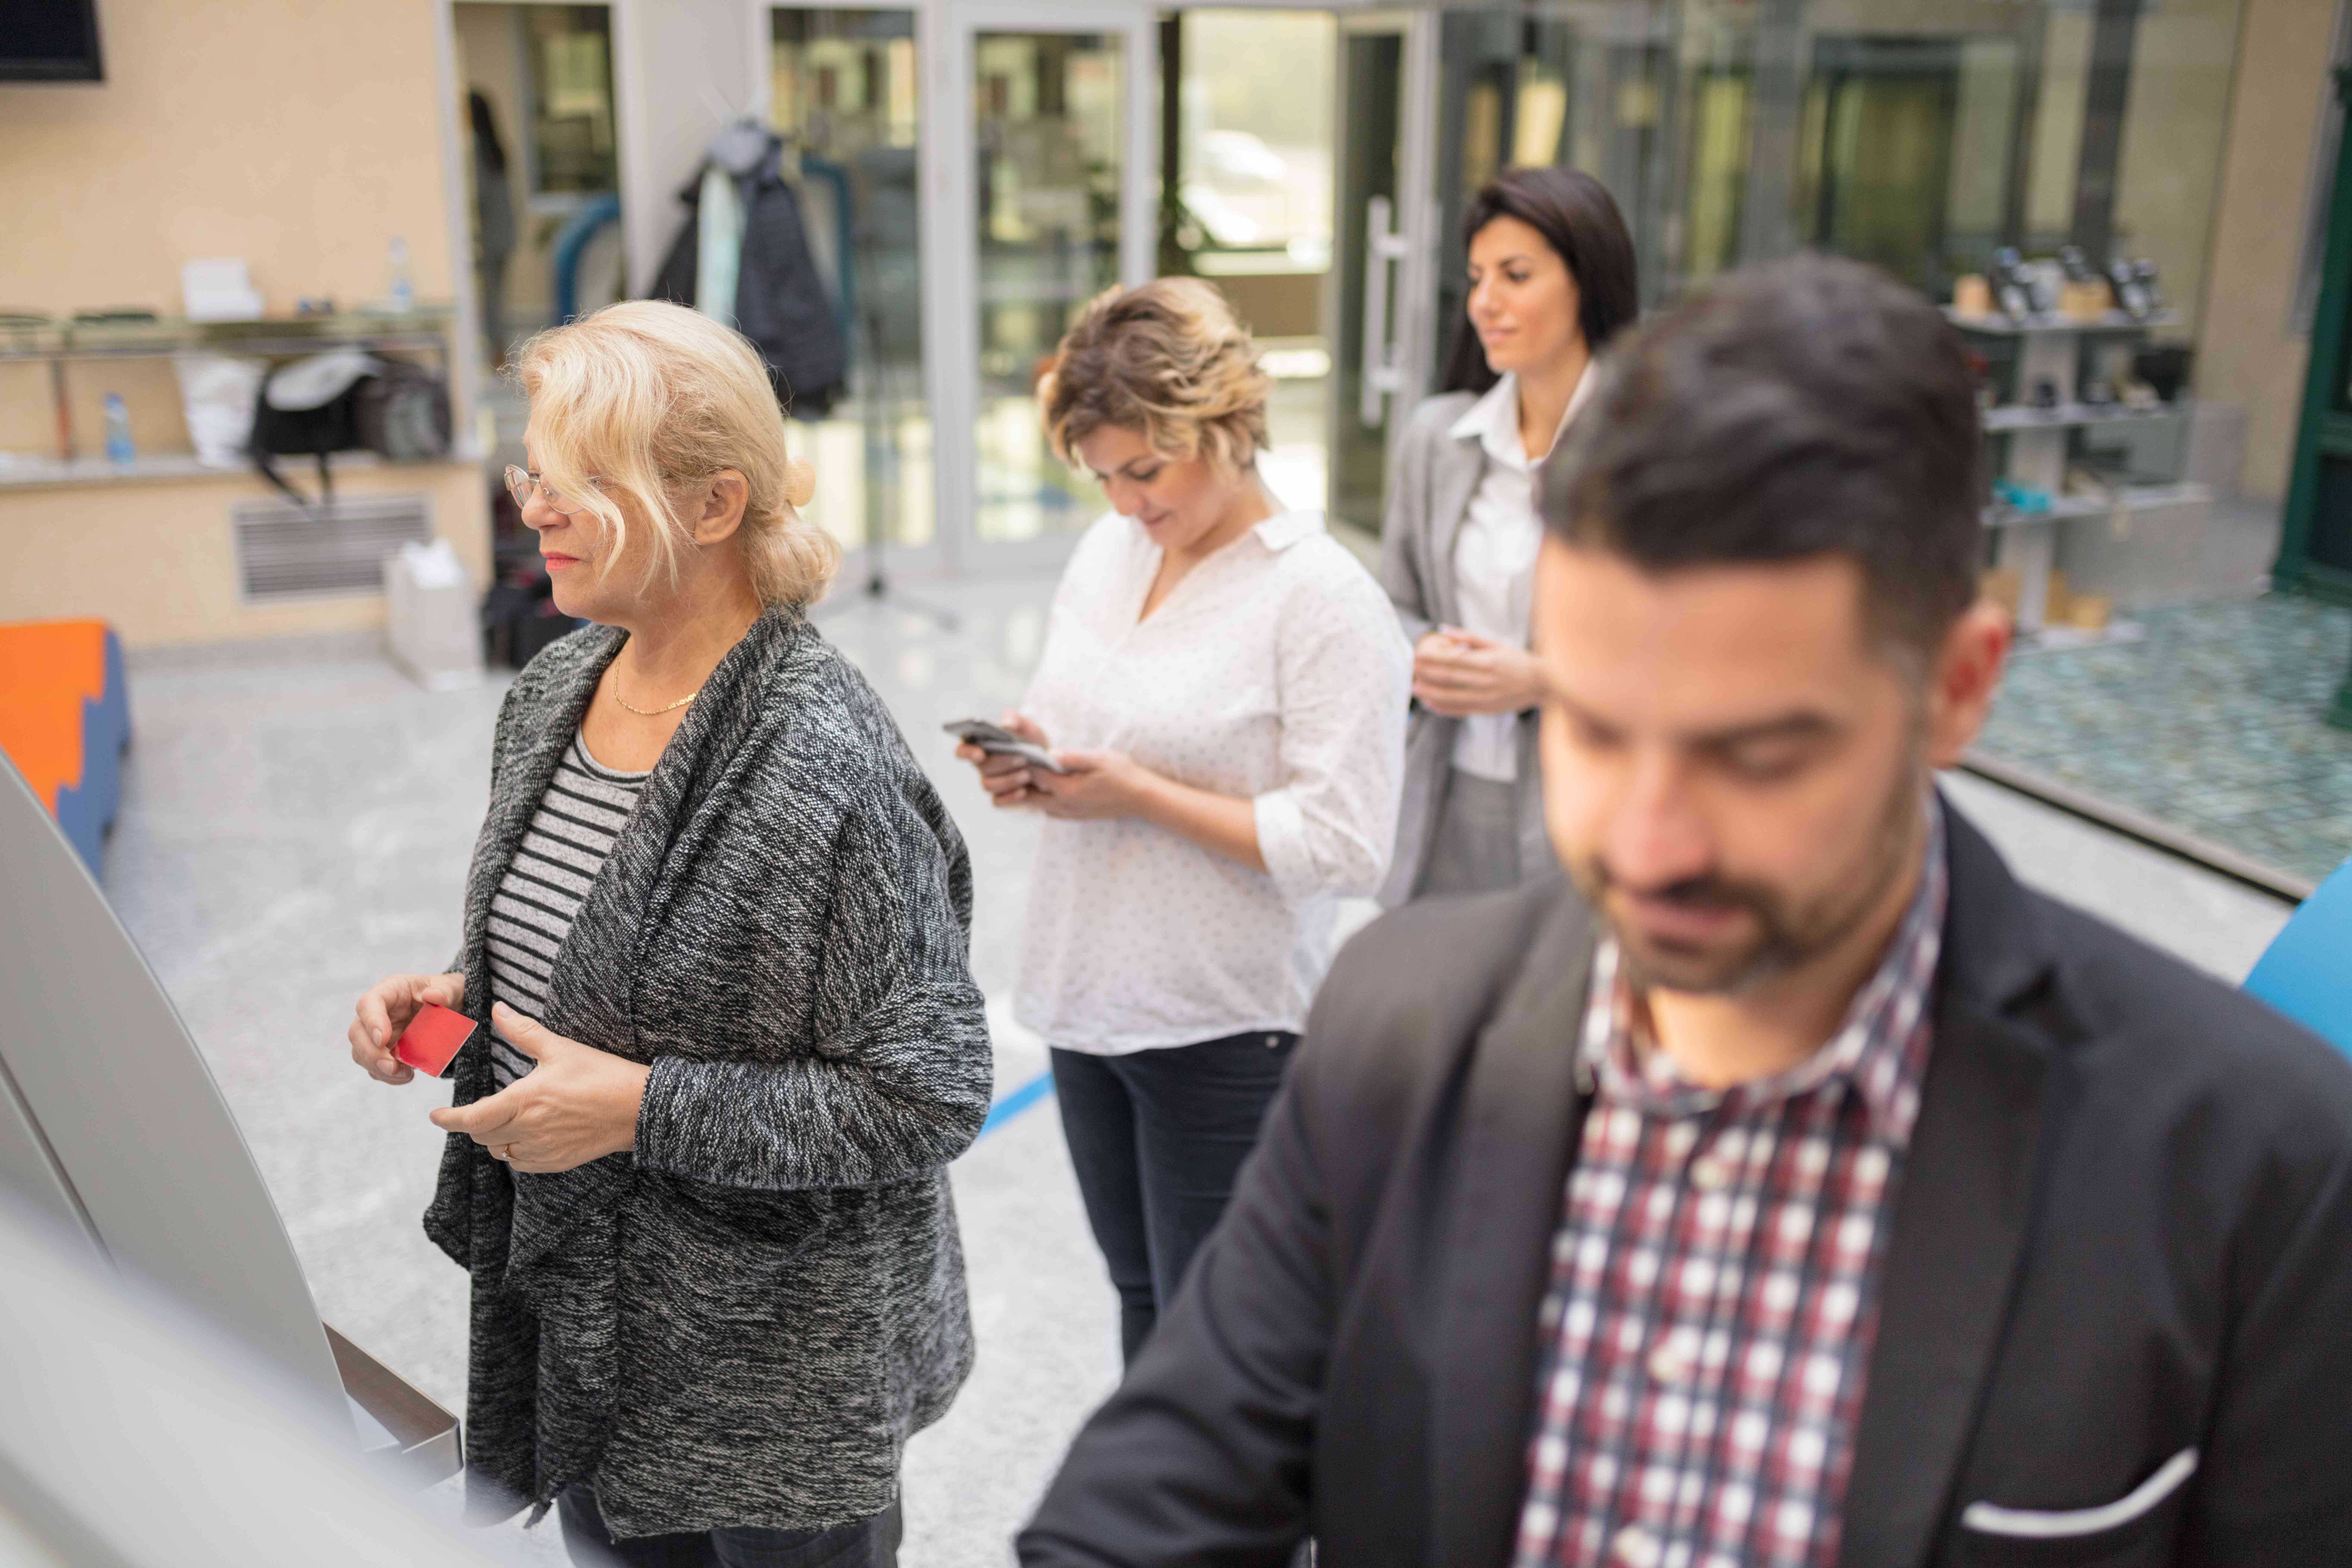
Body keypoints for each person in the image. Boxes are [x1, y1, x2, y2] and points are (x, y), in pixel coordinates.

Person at [1017, 256, 2352, 1565]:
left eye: (1754, 753)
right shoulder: (1397, 1027)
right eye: (1595, 726)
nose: (1647, 847)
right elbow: (1171, 1476)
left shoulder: (2253, 1171)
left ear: (1955, 687)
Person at [345, 300, 989, 1566]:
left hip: (772, 1386)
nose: (535, 506)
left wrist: (645, 1109)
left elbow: (926, 1096)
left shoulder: (823, 764)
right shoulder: (555, 690)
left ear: (711, 506)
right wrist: (454, 997)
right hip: (598, 1341)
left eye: (586, 481)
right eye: (535, 469)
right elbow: (602, 947)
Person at [955, 278, 1409, 1366]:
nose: (1122, 500)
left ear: (1225, 427)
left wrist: (1139, 796)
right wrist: (1032, 759)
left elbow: (1347, 844)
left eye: (1144, 470)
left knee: (1220, 1345)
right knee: (1142, 1303)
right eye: (1102, 474)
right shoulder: (1110, 555)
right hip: (1087, 999)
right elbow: (1085, 719)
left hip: (1223, 1023)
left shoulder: (1322, 601)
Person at [1378, 167, 1638, 903]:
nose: (1485, 303)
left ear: (1587, 280)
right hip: (1439, 798)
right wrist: (1418, 649)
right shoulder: (1437, 438)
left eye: (1515, 275)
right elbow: (1386, 609)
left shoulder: (1652, 450)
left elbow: (1697, 659)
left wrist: (1542, 681)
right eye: (1477, 277)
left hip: (1583, 813)